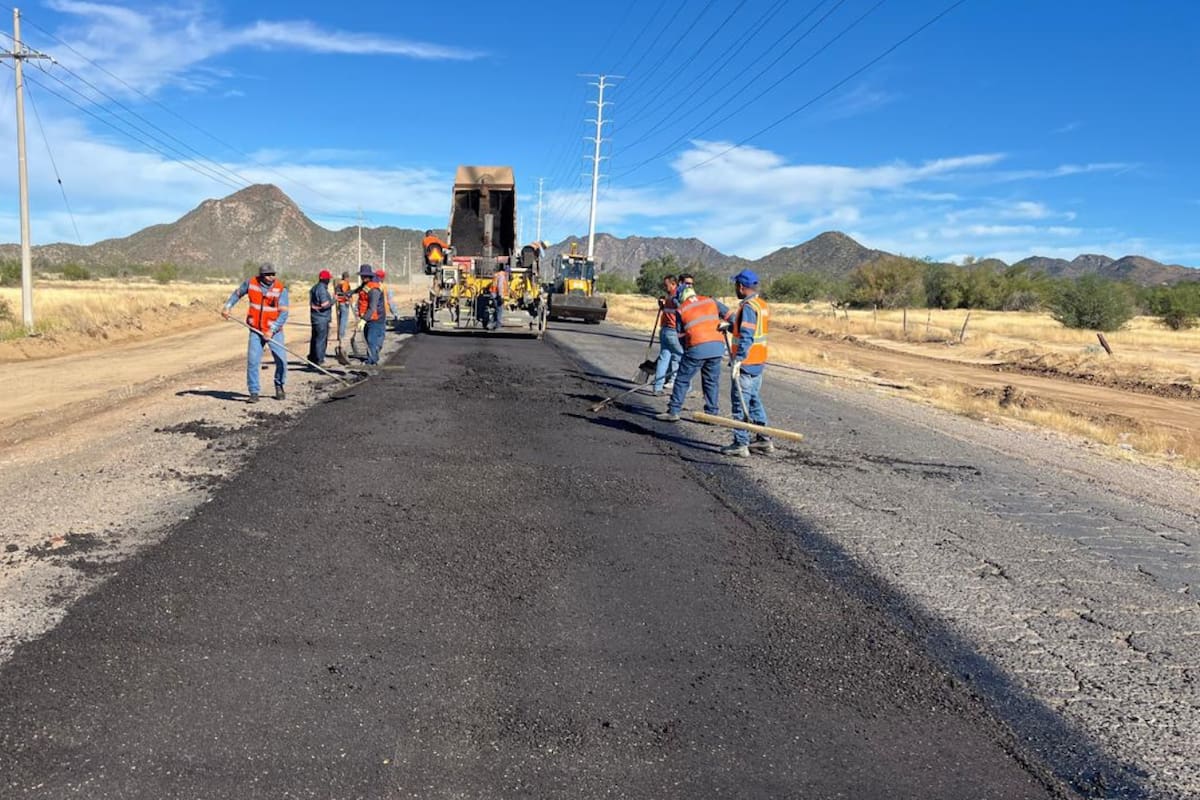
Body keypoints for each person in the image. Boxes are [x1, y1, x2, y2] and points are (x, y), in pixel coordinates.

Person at [655, 283, 730, 423]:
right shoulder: (711, 301)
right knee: (711, 382)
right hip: (717, 348)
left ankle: (673, 411)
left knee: (682, 380)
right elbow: (731, 317)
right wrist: (728, 326)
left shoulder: (681, 309)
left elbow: (681, 336)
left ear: (681, 296)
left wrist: (686, 352)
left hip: (696, 348)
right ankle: (711, 414)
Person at [721, 269, 772, 458]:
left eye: (736, 285)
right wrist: (730, 327)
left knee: (739, 403)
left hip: (746, 363)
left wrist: (738, 359)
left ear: (741, 287)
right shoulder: (761, 305)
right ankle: (763, 439)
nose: (735, 288)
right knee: (753, 400)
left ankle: (740, 443)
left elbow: (748, 336)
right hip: (758, 362)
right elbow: (748, 329)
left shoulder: (749, 307)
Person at [222, 262, 288, 403]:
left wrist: (271, 330)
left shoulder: (280, 289)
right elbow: (237, 294)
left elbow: (283, 314)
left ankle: (279, 385)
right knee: (253, 361)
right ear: (262, 275)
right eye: (268, 275)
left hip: (274, 331)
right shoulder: (251, 283)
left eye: (273, 274)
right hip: (256, 330)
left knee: (281, 360)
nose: (271, 277)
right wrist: (228, 307)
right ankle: (253, 392)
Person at [652, 274, 684, 396]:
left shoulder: (672, 296)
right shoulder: (676, 296)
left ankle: (657, 387)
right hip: (671, 331)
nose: (665, 287)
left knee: (664, 358)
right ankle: (685, 387)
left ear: (674, 284)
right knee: (685, 358)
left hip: (666, 331)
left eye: (667, 285)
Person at [356, 265, 386, 365]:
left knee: (371, 339)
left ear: (370, 275)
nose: (363, 278)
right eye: (362, 276)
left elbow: (372, 308)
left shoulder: (374, 289)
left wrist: (363, 320)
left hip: (376, 318)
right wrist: (350, 293)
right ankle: (374, 356)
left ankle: (371, 361)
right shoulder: (366, 285)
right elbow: (360, 289)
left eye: (365, 276)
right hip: (368, 317)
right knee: (370, 340)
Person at [308, 269, 333, 365]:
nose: (329, 281)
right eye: (328, 279)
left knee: (315, 338)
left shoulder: (314, 288)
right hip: (321, 318)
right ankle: (319, 360)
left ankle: (312, 358)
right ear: (326, 280)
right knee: (321, 339)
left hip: (315, 317)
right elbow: (324, 304)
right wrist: (334, 300)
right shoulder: (322, 289)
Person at [334, 271, 353, 345]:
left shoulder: (338, 284)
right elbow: (346, 293)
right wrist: (348, 299)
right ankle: (342, 335)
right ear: (346, 277)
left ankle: (341, 335)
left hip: (340, 302)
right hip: (344, 303)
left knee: (342, 319)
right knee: (344, 320)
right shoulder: (345, 283)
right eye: (348, 277)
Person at [490, 263, 509, 330]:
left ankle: (491, 324)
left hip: (494, 294)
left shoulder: (497, 274)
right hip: (497, 295)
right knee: (499, 310)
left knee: (496, 309)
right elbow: (500, 286)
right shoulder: (502, 275)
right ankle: (498, 325)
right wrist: (501, 296)